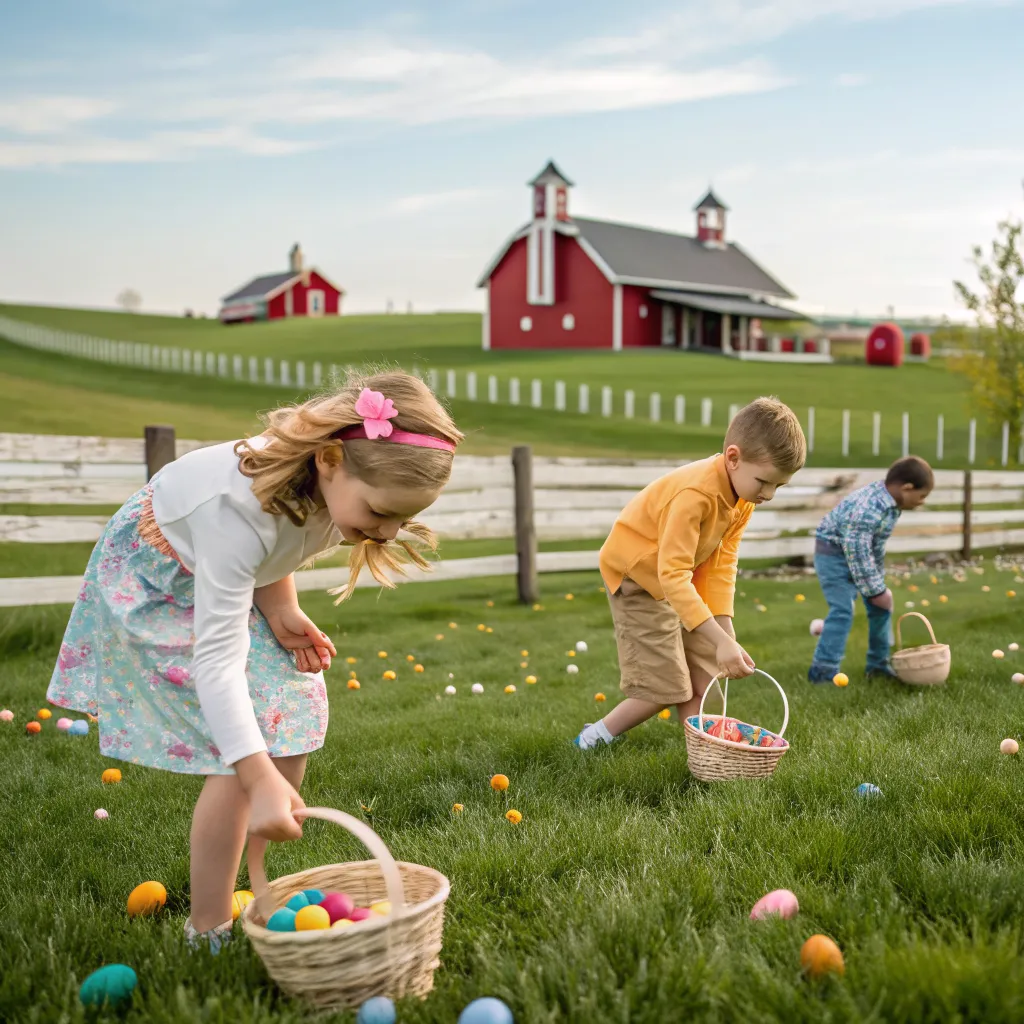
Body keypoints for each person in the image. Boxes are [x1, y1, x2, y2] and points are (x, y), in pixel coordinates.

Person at [47, 370, 462, 950]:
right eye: (381, 512)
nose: (388, 533)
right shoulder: (234, 510)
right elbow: (218, 655)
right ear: (330, 460)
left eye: (403, 518)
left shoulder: (339, 486)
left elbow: (280, 538)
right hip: (160, 579)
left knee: (291, 710)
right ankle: (208, 926)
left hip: (224, 570)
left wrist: (280, 606)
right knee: (238, 758)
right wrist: (255, 771)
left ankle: (255, 883)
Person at [574, 397, 806, 750]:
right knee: (665, 686)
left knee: (706, 677)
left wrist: (725, 633)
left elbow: (721, 564)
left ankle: (706, 757)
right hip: (638, 578)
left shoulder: (744, 497)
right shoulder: (695, 494)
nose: (770, 494)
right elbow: (672, 576)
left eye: (779, 486)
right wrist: (720, 639)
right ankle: (592, 738)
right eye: (764, 482)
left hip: (679, 578)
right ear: (733, 458)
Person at [807, 455, 933, 683]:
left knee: (881, 604)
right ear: (906, 488)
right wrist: (875, 590)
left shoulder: (890, 504)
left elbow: (873, 548)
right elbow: (857, 550)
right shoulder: (869, 507)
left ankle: (877, 666)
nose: (921, 502)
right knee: (842, 610)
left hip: (855, 555)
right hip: (833, 555)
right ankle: (822, 671)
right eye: (922, 496)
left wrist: (878, 588)